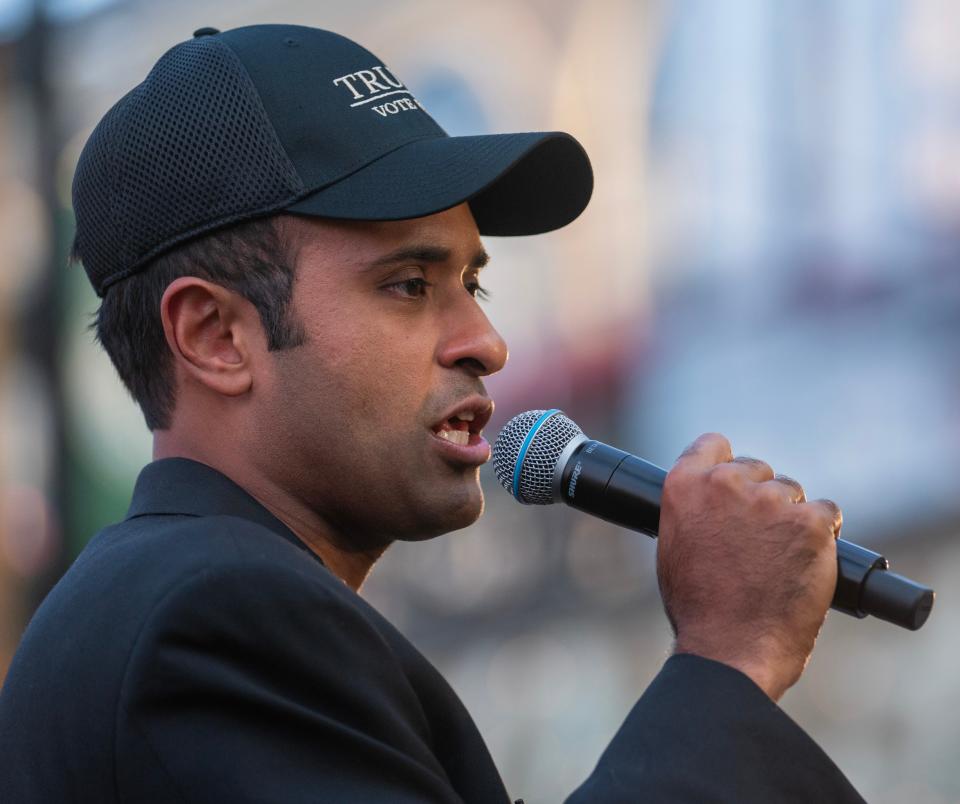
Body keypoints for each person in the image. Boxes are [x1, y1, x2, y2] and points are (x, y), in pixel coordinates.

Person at [0, 23, 864, 803]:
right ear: (216, 335)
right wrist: (726, 660)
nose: (484, 341)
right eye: (409, 284)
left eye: (473, 282)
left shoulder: (190, 604)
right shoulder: (213, 617)